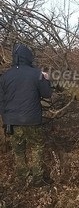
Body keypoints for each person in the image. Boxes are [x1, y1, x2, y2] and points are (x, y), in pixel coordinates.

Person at [0, 43, 52, 187]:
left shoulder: (5, 76)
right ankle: (37, 179)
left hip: (12, 122)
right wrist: (46, 79)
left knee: (19, 151)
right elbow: (47, 94)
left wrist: (6, 120)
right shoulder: (36, 74)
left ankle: (22, 178)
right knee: (36, 147)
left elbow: (1, 101)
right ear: (28, 57)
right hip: (32, 120)